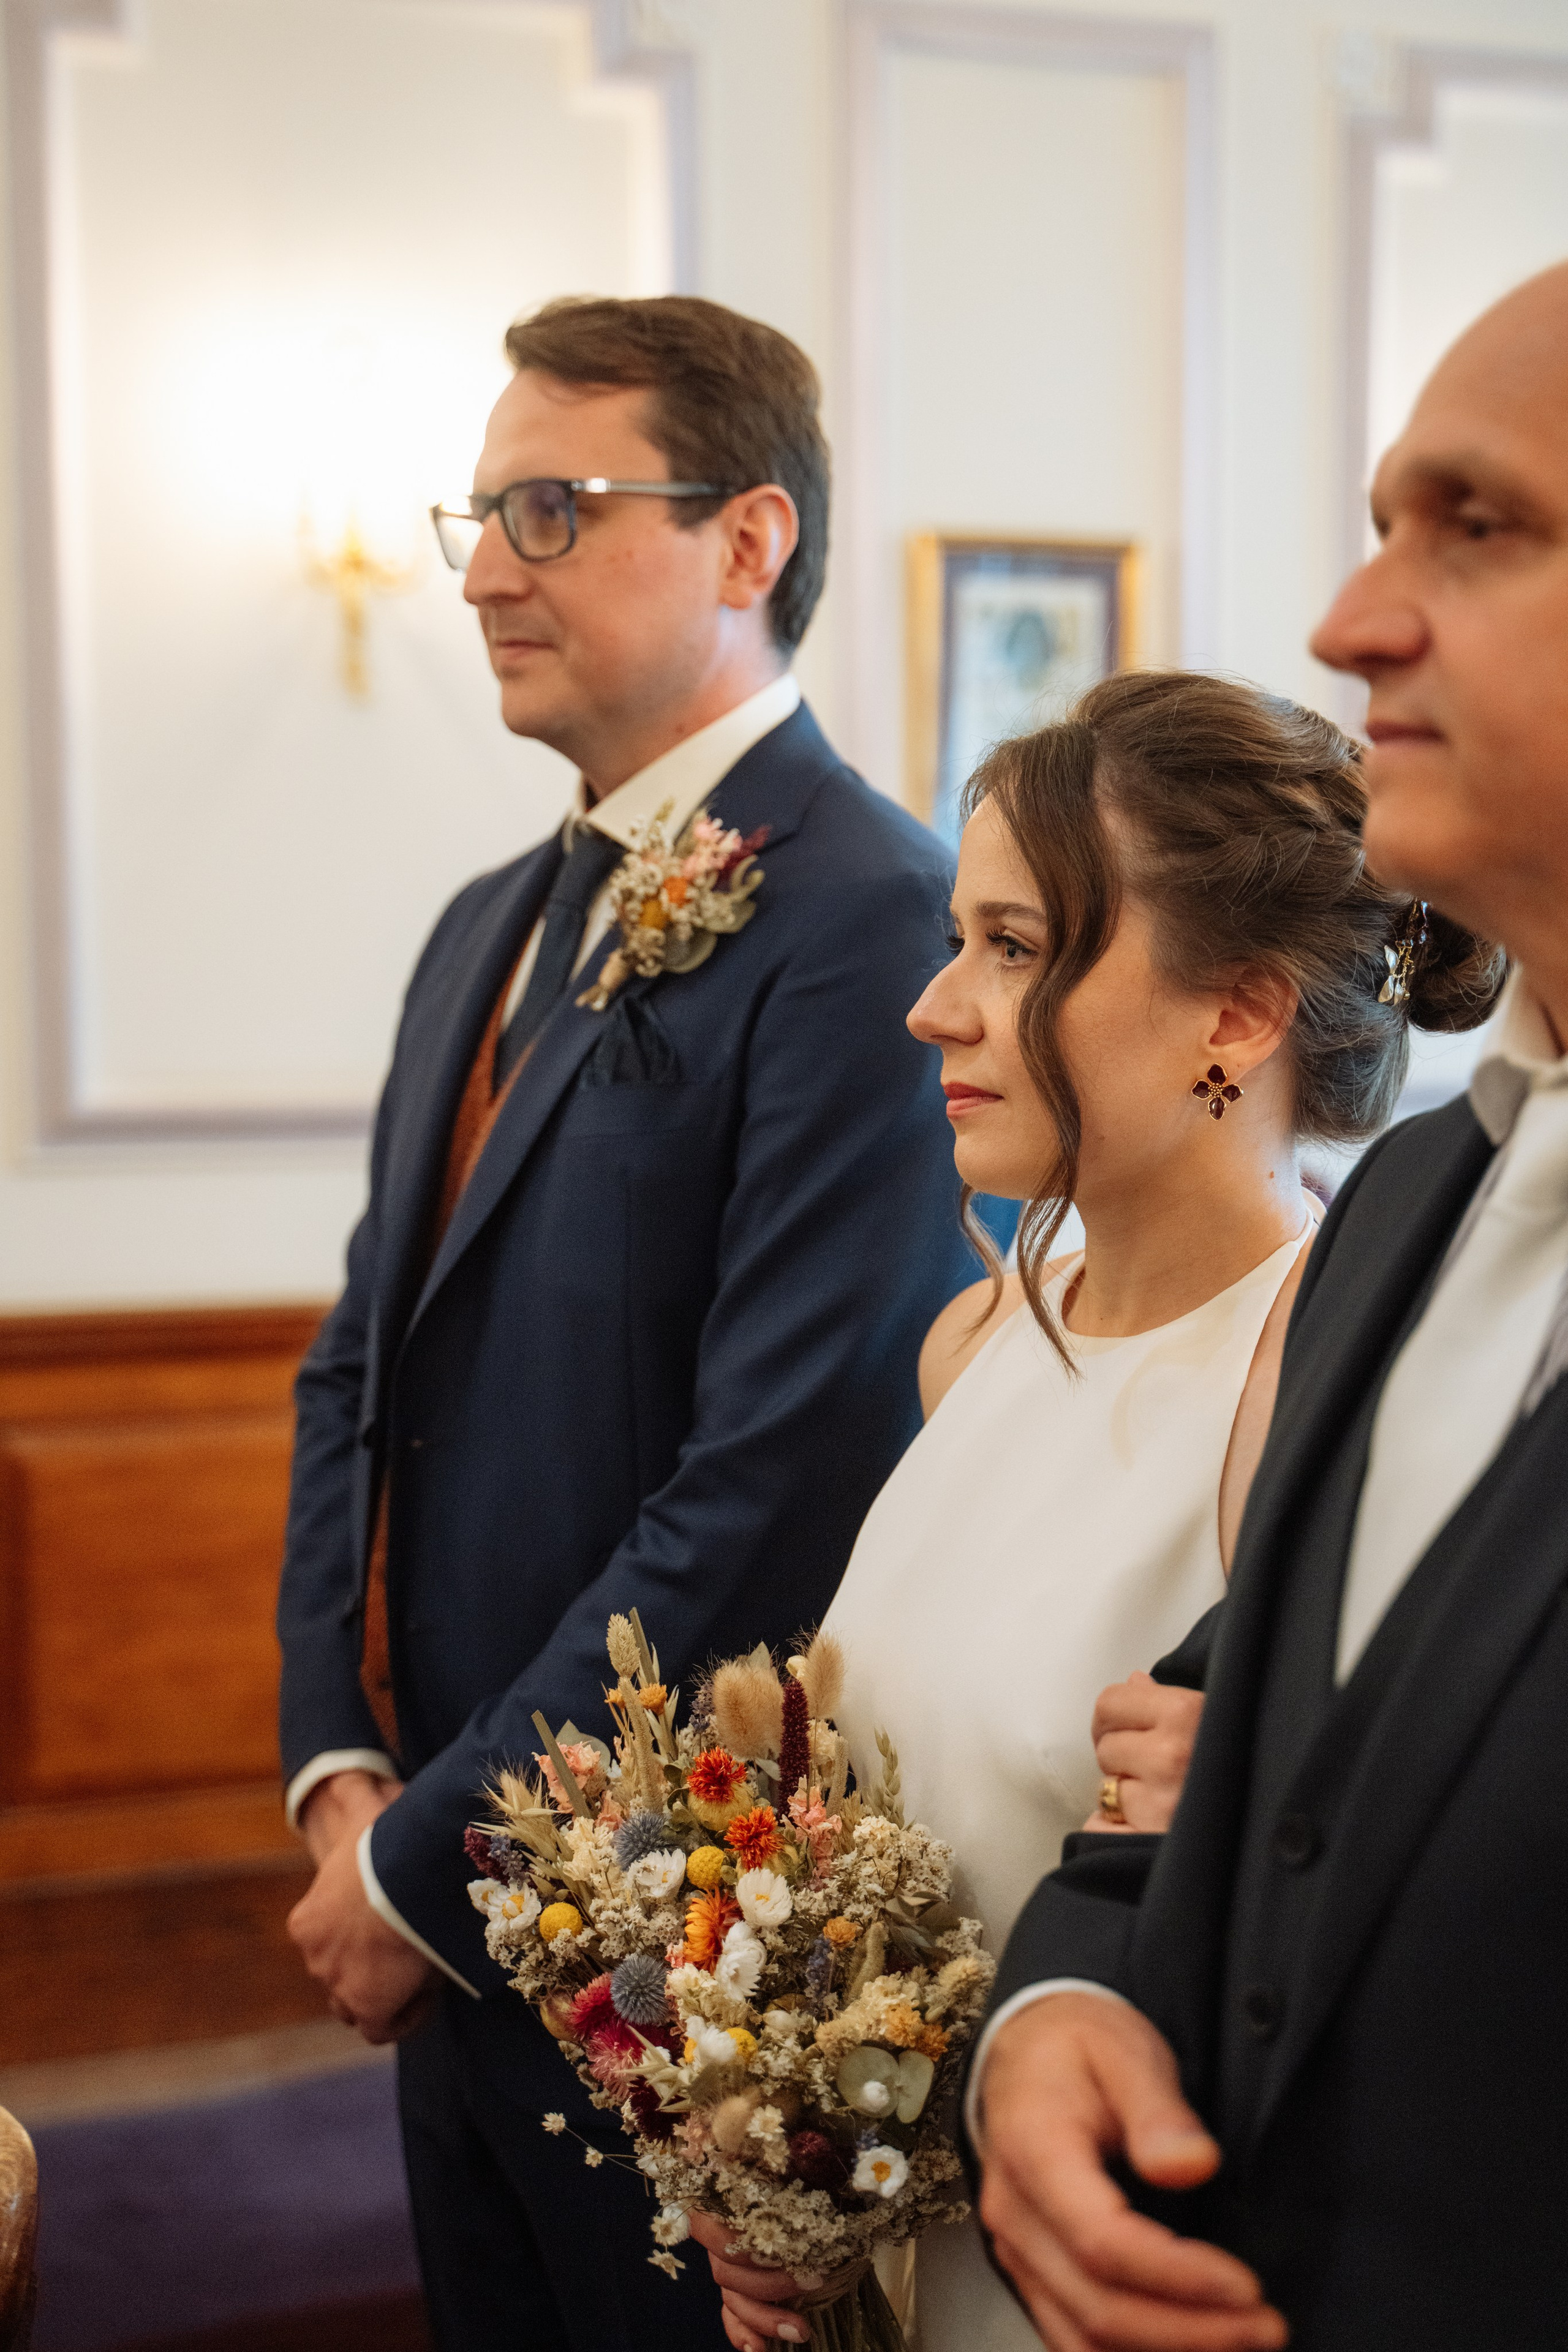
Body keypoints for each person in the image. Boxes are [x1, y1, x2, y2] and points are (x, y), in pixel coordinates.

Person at [274, 293, 973, 2352]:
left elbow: (780, 1479)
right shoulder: (481, 930)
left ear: (749, 540)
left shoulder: (871, 920)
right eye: (482, 516)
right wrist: (336, 1759)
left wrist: (424, 1864)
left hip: (680, 1940)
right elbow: (360, 1367)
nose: (488, 572)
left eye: (554, 511)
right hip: (443, 1871)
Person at [693, 666, 1499, 2352]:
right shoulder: (972, 1343)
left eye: (1016, 947)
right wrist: (766, 2155)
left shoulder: (1310, 1396)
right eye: (959, 939)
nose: (936, 1008)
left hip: (1097, 2263)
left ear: (1238, 1016)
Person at [971, 259, 1568, 2352]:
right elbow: (1246, 1768)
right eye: (1387, 521)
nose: (1350, 619)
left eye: (1478, 527)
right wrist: (1054, 2006)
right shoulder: (1415, 1202)